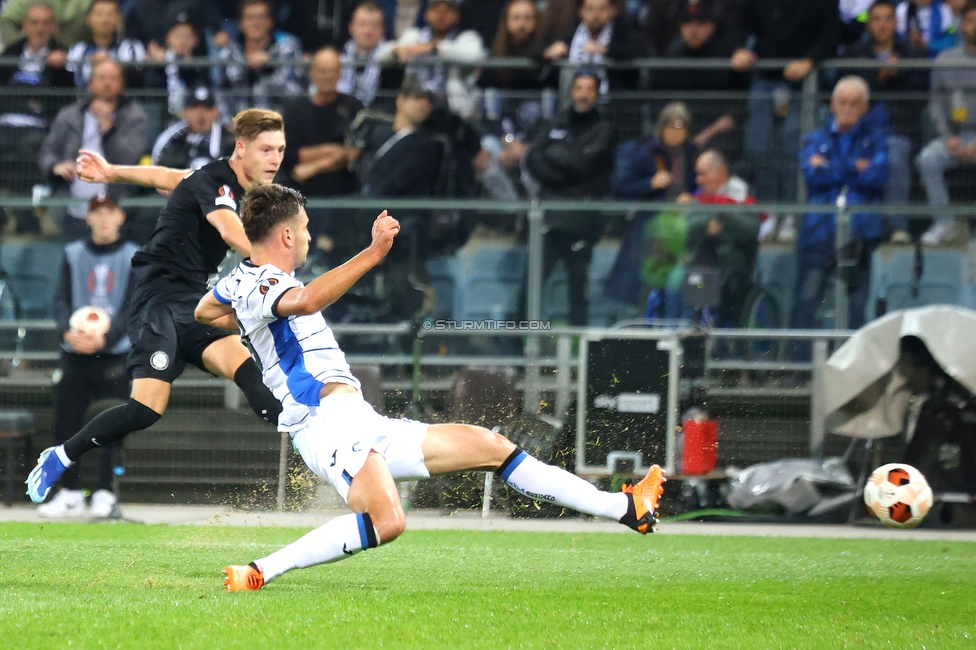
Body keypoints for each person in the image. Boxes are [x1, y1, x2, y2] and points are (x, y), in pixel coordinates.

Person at [190, 183, 666, 591]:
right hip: (325, 423)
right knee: (388, 522)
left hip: (359, 419)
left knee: (494, 446)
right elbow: (310, 298)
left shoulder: (242, 283)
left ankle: (626, 507)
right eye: (307, 227)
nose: (311, 235)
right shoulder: (263, 284)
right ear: (287, 233)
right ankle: (260, 571)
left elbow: (203, 312)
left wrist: (250, 325)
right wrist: (374, 253)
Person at [25, 108, 286, 505]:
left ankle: (310, 440)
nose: (275, 158)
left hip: (196, 298)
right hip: (157, 298)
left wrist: (111, 172)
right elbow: (230, 230)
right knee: (146, 409)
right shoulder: (216, 181)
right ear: (242, 147)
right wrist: (279, 272)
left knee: (250, 374)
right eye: (266, 149)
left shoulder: (219, 182)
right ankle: (61, 456)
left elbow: (168, 177)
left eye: (281, 149)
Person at [39, 193, 139, 519]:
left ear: (120, 216)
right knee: (66, 423)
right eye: (98, 212)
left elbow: (131, 306)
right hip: (76, 354)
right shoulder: (72, 254)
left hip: (114, 356)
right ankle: (69, 492)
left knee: (111, 423)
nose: (104, 218)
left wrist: (106, 338)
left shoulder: (132, 256)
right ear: (88, 217)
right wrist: (67, 333)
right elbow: (60, 300)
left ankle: (105, 491)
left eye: (110, 211)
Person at [791, 76, 889, 348]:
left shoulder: (876, 142)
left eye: (854, 104)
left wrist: (831, 166)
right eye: (842, 102)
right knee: (806, 302)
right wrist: (853, 167)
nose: (847, 108)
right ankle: (794, 373)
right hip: (818, 234)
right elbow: (812, 175)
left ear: (865, 108)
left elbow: (877, 177)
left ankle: (851, 377)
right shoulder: (813, 140)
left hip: (859, 236)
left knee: (856, 307)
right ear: (832, 105)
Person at [730, 0, 840, 234]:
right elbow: (738, 22)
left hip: (804, 82)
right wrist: (739, 48)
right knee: (760, 146)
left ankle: (792, 212)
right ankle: (767, 212)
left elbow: (831, 34)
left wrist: (810, 60)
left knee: (796, 146)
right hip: (765, 77)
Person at [524, 70, 615, 326]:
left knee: (578, 286)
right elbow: (532, 158)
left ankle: (576, 354)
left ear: (597, 95)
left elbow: (584, 165)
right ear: (571, 91)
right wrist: (565, 168)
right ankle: (519, 349)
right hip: (548, 216)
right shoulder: (556, 122)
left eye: (589, 89)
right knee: (530, 284)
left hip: (582, 221)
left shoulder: (604, 128)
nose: (583, 94)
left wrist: (552, 155)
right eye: (579, 88)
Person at [38, 59, 149, 242]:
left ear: (122, 84)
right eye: (102, 77)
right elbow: (46, 153)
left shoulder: (135, 117)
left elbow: (129, 158)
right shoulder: (69, 115)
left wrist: (108, 128)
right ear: (90, 83)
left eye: (113, 78)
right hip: (72, 198)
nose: (107, 83)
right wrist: (55, 166)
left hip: (115, 203)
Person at [604, 101, 697, 312]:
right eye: (670, 126)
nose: (675, 132)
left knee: (682, 282)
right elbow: (620, 188)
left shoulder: (693, 153)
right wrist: (650, 184)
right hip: (653, 228)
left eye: (680, 127)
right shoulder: (647, 153)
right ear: (661, 128)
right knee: (647, 283)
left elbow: (702, 183)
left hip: (685, 227)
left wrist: (692, 198)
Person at [282, 47, 363, 268]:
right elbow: (289, 154)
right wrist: (331, 151)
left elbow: (355, 152)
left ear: (340, 73)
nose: (327, 76)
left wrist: (313, 166)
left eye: (333, 70)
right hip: (300, 197)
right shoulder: (295, 109)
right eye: (322, 70)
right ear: (312, 73)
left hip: (341, 199)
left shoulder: (352, 107)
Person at [0, 1, 74, 207]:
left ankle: (24, 210)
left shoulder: (65, 56)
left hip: (39, 126)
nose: (39, 28)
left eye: (45, 23)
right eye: (34, 22)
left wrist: (60, 69)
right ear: (25, 26)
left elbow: (66, 99)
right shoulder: (10, 54)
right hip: (5, 122)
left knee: (31, 148)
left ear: (54, 27)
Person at [914, 0, 976, 245]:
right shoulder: (945, 59)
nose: (975, 27)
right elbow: (936, 105)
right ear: (961, 25)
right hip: (956, 135)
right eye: (970, 21)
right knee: (927, 159)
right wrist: (948, 137)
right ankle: (944, 223)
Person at [678, 150, 759, 328]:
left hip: (733, 267)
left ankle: (701, 333)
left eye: (703, 174)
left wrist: (723, 216)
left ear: (720, 172)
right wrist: (708, 224)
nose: (698, 180)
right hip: (700, 263)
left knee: (707, 279)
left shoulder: (742, 197)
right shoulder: (697, 199)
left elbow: (751, 230)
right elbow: (687, 227)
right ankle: (690, 332)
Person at [377, 0, 486, 118]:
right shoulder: (414, 36)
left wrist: (434, 48)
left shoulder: (467, 38)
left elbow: (471, 57)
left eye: (447, 11)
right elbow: (379, 56)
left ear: (456, 16)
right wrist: (395, 50)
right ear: (426, 14)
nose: (441, 16)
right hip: (416, 107)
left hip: (452, 112)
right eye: (435, 10)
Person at [214, 0, 304, 114]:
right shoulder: (227, 54)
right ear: (240, 24)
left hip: (278, 125)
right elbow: (220, 94)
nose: (255, 23)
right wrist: (230, 123)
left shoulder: (288, 49)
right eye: (250, 18)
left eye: (261, 17)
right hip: (240, 126)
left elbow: (294, 92)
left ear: (270, 22)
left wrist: (269, 68)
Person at [540, 0, 642, 94]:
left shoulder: (623, 33)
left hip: (614, 101)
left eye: (601, 9)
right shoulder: (571, 36)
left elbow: (634, 54)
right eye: (590, 9)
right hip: (572, 101)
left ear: (612, 10)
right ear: (580, 12)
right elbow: (536, 53)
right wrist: (547, 54)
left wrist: (605, 50)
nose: (595, 15)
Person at [151, 86, 236, 171]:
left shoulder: (228, 141)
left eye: (207, 108)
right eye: (194, 107)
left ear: (216, 112)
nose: (201, 114)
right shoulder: (172, 138)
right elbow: (157, 161)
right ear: (184, 112)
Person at [65, 0, 146, 88]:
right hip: (84, 100)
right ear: (89, 19)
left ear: (119, 18)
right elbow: (69, 80)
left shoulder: (131, 47)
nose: (105, 20)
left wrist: (113, 63)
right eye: (99, 14)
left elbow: (138, 78)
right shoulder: (78, 49)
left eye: (110, 14)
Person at [337, 0, 389, 107]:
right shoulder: (338, 56)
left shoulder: (391, 61)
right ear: (351, 27)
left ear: (382, 29)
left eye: (374, 25)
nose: (368, 31)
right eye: (362, 24)